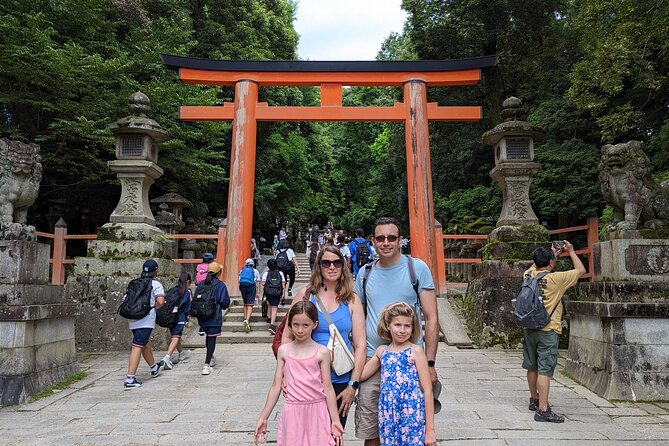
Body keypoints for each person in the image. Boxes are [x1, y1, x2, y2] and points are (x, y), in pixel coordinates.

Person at [354, 217, 439, 446]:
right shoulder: (364, 273)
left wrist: (430, 363)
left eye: (391, 237)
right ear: (373, 241)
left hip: (409, 363)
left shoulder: (416, 268)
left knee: (411, 427)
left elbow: (431, 318)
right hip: (374, 357)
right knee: (372, 431)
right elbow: (356, 316)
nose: (386, 242)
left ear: (400, 240)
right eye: (380, 238)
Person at [282, 246, 366, 428]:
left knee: (335, 432)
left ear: (343, 266)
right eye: (326, 263)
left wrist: (353, 384)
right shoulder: (305, 295)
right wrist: (284, 373)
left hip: (340, 379)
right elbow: (287, 337)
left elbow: (360, 345)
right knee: (308, 434)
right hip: (306, 378)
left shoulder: (351, 300)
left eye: (337, 262)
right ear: (319, 266)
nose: (332, 267)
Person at [254, 301, 344, 446]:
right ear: (289, 325)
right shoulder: (284, 351)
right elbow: (276, 386)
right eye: (296, 325)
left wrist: (335, 420)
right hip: (292, 411)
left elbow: (327, 388)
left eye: (305, 325)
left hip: (317, 412)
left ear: (314, 324)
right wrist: (263, 417)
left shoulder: (322, 352)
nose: (300, 330)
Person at [523, 241, 585, 423]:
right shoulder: (556, 279)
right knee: (545, 369)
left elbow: (536, 263)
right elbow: (581, 270)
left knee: (531, 365)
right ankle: (543, 409)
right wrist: (571, 251)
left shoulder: (528, 275)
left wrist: (550, 254)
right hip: (548, 329)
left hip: (530, 327)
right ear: (551, 263)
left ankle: (533, 399)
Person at [361, 302, 436, 446]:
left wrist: (430, 429)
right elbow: (360, 375)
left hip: (412, 412)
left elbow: (427, 390)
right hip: (388, 414)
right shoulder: (382, 352)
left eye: (407, 326)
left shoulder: (416, 351)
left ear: (413, 328)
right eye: (397, 325)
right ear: (388, 325)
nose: (402, 330)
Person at [123, 259, 166, 390]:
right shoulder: (155, 284)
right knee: (137, 346)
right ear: (156, 271)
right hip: (146, 319)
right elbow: (160, 301)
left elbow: (124, 299)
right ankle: (130, 379)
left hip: (133, 318)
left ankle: (154, 368)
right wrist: (154, 308)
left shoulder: (134, 283)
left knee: (144, 342)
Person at [194, 262, 231, 375]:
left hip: (202, 316)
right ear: (219, 272)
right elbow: (225, 303)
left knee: (208, 337)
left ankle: (210, 357)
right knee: (212, 338)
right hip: (214, 315)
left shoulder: (201, 284)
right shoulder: (220, 285)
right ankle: (206, 364)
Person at [161, 271, 193, 369]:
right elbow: (188, 306)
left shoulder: (172, 290)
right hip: (180, 316)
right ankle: (167, 357)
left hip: (170, 316)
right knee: (176, 336)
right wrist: (188, 316)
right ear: (187, 281)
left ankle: (181, 353)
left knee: (175, 335)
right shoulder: (187, 292)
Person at [261, 258, 286, 334]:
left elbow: (263, 283)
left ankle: (269, 317)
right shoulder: (280, 273)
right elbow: (283, 285)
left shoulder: (266, 273)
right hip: (277, 292)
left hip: (268, 292)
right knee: (274, 308)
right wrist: (283, 295)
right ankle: (272, 325)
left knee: (269, 303)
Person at [239, 258, 260, 333]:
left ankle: (245, 318)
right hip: (251, 286)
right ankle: (247, 320)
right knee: (250, 304)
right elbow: (257, 282)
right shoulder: (255, 271)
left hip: (242, 286)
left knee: (245, 303)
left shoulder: (242, 270)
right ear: (253, 264)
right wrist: (258, 293)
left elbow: (239, 280)